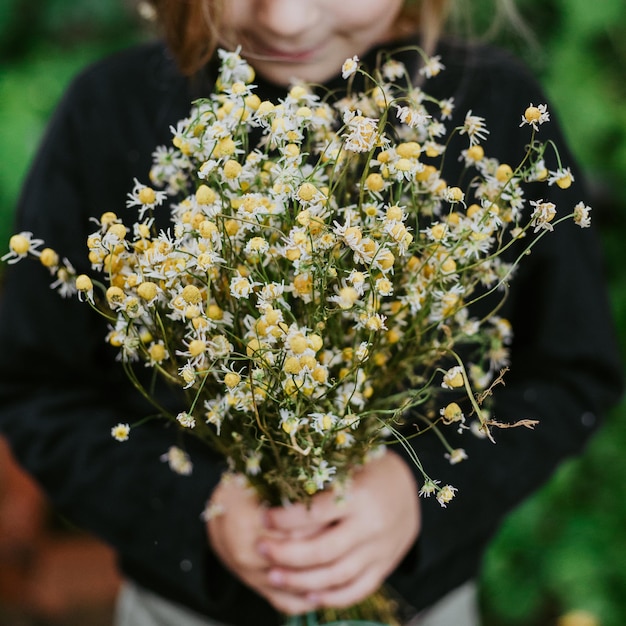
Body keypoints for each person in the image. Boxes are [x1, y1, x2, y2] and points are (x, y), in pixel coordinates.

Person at [0, 0, 622, 624]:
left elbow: (572, 376)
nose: (287, 20)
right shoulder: (110, 111)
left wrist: (416, 493)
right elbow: (36, 391)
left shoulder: (494, 104)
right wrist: (197, 512)